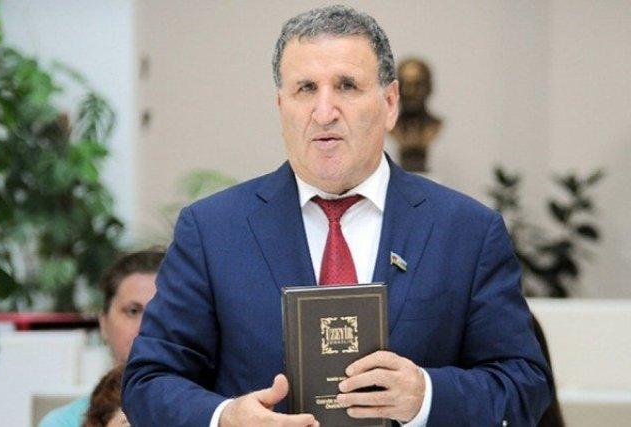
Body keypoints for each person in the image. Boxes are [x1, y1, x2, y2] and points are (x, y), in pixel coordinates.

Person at [122, 5, 551, 426]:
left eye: (346, 86)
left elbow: (524, 385)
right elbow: (149, 381)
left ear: (390, 103)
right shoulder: (213, 231)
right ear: (281, 105)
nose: (324, 112)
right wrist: (224, 419)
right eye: (306, 89)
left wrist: (426, 396)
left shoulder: (467, 232)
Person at [38, 249, 164, 427]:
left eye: (160, 312)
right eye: (133, 311)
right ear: (103, 323)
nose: (145, 326)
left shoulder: (203, 414)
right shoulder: (61, 423)